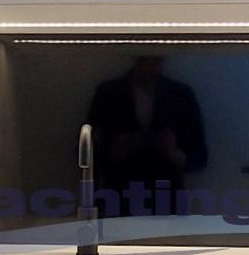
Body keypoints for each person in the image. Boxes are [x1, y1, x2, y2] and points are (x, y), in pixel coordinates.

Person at [87, 55, 208, 216]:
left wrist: (174, 154)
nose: (149, 66)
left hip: (160, 200)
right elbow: (86, 155)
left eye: (155, 59)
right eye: (145, 59)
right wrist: (113, 153)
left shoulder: (181, 95)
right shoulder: (108, 93)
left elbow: (200, 158)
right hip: (123, 198)